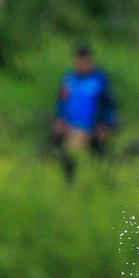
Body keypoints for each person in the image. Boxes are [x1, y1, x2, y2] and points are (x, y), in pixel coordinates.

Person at [50, 44, 119, 181]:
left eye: (84, 61)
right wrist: (59, 120)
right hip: (71, 127)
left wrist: (106, 124)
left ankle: (104, 182)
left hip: (93, 128)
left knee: (98, 160)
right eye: (78, 61)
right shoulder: (69, 80)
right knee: (65, 154)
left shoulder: (99, 80)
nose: (81, 64)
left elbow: (109, 105)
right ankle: (70, 184)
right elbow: (61, 102)